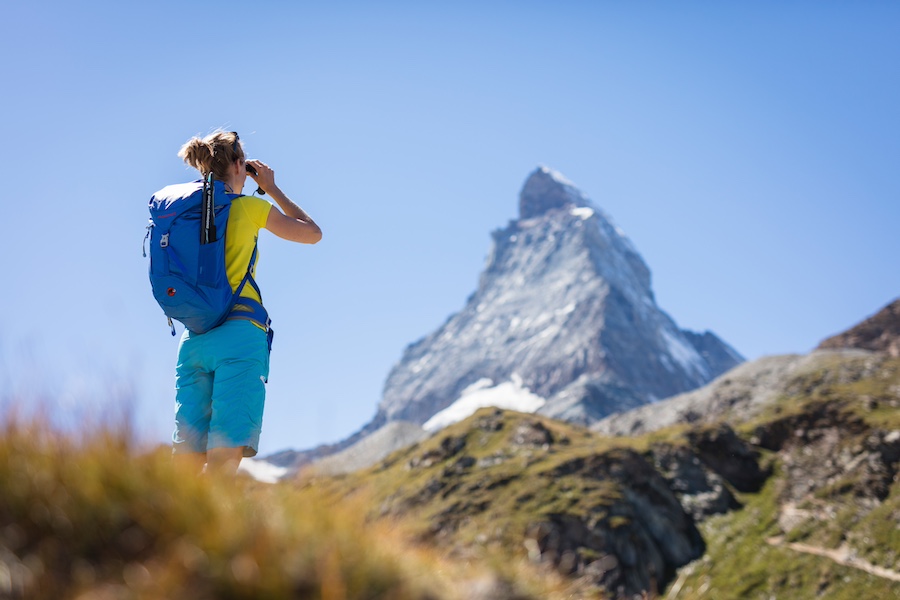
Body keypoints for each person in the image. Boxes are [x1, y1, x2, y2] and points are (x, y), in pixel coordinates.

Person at [172, 130, 322, 475]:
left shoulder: (183, 216)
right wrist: (270, 188)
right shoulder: (250, 208)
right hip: (239, 337)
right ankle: (211, 530)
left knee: (185, 462)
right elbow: (311, 233)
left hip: (194, 340)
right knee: (224, 461)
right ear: (241, 165)